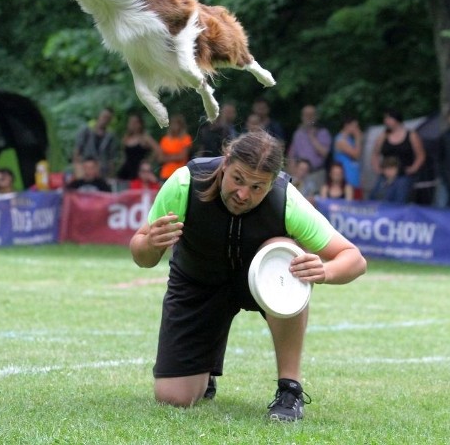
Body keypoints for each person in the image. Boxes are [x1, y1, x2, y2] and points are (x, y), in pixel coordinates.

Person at [129, 131, 366, 421]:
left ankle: (289, 389)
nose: (243, 194)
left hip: (262, 281)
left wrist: (326, 271)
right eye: (238, 179)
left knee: (289, 256)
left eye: (257, 187)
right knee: (173, 398)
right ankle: (204, 370)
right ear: (226, 162)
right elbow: (141, 255)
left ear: (271, 183)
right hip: (197, 281)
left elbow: (354, 258)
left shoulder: (285, 198)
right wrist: (150, 244)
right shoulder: (185, 182)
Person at [370, 109, 426, 203]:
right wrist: (377, 168)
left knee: (399, 199)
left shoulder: (411, 135)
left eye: (388, 118)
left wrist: (413, 168)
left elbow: (420, 155)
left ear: (396, 119)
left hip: (403, 174)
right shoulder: (383, 136)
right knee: (376, 197)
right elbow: (375, 154)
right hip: (385, 174)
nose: (386, 121)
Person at [286, 105, 331, 180]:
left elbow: (325, 153)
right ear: (302, 117)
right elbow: (291, 155)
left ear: (316, 117)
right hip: (300, 174)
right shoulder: (298, 134)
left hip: (316, 173)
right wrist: (293, 172)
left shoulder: (323, 133)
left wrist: (312, 137)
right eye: (306, 115)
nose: (309, 117)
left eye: (311, 115)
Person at [73, 107, 118, 179]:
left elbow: (111, 158)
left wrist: (110, 175)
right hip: (86, 170)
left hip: (102, 172)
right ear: (99, 116)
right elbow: (77, 151)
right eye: (104, 116)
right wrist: (77, 169)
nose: (105, 120)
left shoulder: (110, 137)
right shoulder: (86, 131)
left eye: (108, 118)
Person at [116, 112, 160, 182]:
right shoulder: (126, 138)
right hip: (126, 169)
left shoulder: (145, 137)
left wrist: (149, 161)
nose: (133, 125)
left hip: (138, 169)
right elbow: (123, 156)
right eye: (131, 122)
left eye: (135, 122)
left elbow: (157, 150)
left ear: (140, 124)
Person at [332, 115, 363, 197]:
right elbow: (356, 155)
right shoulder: (340, 140)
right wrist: (358, 138)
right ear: (346, 125)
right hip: (346, 181)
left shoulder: (350, 139)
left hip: (355, 180)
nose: (357, 129)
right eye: (355, 126)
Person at [157, 113, 193, 181]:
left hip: (180, 174)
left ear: (181, 125)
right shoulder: (164, 139)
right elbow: (160, 158)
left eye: (176, 124)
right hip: (165, 174)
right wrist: (175, 156)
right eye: (172, 123)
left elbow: (182, 157)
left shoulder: (186, 138)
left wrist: (167, 157)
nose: (174, 126)